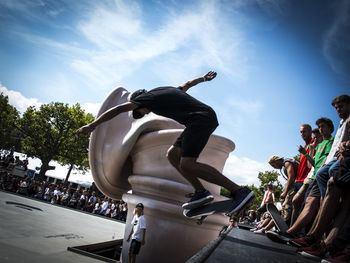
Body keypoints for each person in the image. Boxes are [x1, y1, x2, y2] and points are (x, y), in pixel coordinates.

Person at [77, 71, 254, 212]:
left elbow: (119, 109)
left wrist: (92, 126)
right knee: (172, 155)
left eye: (140, 112)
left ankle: (239, 190)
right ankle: (200, 192)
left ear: (139, 100)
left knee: (188, 164)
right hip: (199, 119)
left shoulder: (146, 99)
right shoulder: (166, 90)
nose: (144, 113)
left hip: (200, 120)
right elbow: (187, 85)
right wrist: (203, 78)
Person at [266, 117, 334, 243]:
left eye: (304, 132)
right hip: (310, 177)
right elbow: (311, 164)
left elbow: (322, 162)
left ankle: (306, 236)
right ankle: (292, 232)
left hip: (314, 178)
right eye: (300, 132)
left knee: (316, 205)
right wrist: (308, 152)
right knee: (300, 203)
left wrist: (310, 151)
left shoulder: (324, 142)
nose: (302, 134)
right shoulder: (311, 146)